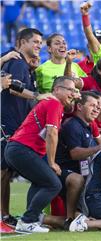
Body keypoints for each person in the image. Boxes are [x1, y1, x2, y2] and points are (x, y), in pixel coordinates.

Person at [4, 76, 77, 233]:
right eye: (70, 89)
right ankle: (27, 221)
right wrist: (51, 162)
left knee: (41, 182)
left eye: (74, 90)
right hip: (22, 149)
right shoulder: (54, 103)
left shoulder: (53, 104)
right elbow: (51, 133)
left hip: (18, 149)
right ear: (57, 90)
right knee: (53, 184)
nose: (73, 93)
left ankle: (31, 220)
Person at [1, 28, 44, 228]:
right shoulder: (17, 62)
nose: (39, 45)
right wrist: (37, 96)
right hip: (7, 125)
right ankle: (4, 216)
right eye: (35, 41)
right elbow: (13, 87)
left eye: (40, 42)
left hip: (14, 126)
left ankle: (5, 216)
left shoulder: (24, 66)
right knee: (2, 172)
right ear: (22, 42)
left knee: (6, 172)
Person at [55, 91, 101, 228]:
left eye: (98, 106)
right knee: (77, 179)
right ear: (79, 106)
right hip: (62, 171)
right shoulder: (72, 125)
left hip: (82, 171)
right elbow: (75, 154)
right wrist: (98, 148)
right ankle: (69, 218)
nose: (97, 109)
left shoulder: (89, 125)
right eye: (93, 106)